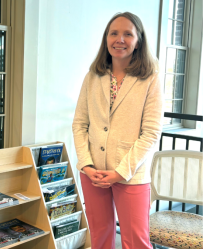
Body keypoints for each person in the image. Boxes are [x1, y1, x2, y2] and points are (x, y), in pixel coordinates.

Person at [72, 12, 163, 249]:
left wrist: (122, 172)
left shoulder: (151, 79)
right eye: (114, 33)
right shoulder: (93, 76)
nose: (119, 39)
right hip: (93, 173)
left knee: (136, 242)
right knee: (100, 238)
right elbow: (80, 124)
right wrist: (86, 165)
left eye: (127, 34)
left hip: (131, 174)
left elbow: (151, 133)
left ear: (138, 40)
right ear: (106, 38)